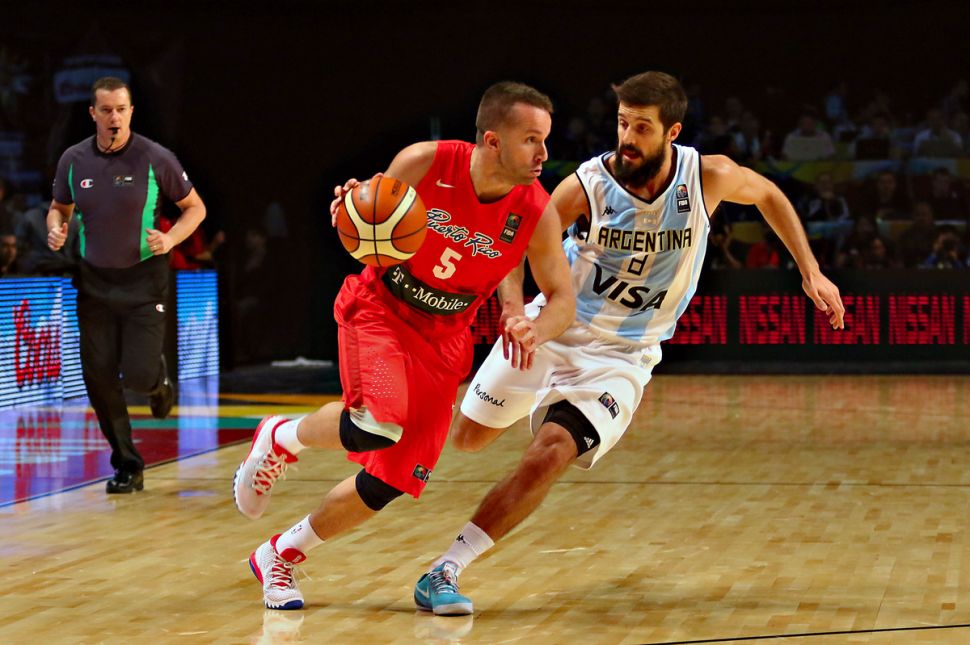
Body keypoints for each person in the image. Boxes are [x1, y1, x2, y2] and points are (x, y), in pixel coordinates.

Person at [412, 71, 845, 616]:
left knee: (550, 453)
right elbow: (516, 241)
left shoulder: (706, 176)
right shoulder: (588, 185)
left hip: (621, 358)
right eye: (622, 123)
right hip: (552, 328)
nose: (627, 137)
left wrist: (810, 271)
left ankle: (445, 568)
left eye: (641, 127)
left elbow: (769, 195)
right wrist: (516, 309)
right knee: (468, 438)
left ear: (672, 132)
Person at [232, 81, 575, 610]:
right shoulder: (425, 162)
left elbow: (562, 298)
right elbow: (369, 215)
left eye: (545, 140)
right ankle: (282, 436)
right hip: (382, 310)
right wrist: (350, 209)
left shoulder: (536, 210)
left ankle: (278, 554)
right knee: (375, 423)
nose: (543, 153)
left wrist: (534, 325)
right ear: (493, 140)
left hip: (446, 336)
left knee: (390, 482)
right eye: (532, 139)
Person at [47, 77, 206, 494]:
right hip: (94, 283)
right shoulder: (73, 159)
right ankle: (127, 465)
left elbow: (195, 208)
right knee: (98, 378)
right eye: (106, 110)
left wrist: (170, 239)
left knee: (137, 375)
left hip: (143, 281)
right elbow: (59, 207)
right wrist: (56, 228)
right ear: (93, 114)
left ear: (131, 112)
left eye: (121, 109)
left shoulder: (155, 157)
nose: (114, 117)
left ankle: (157, 381)